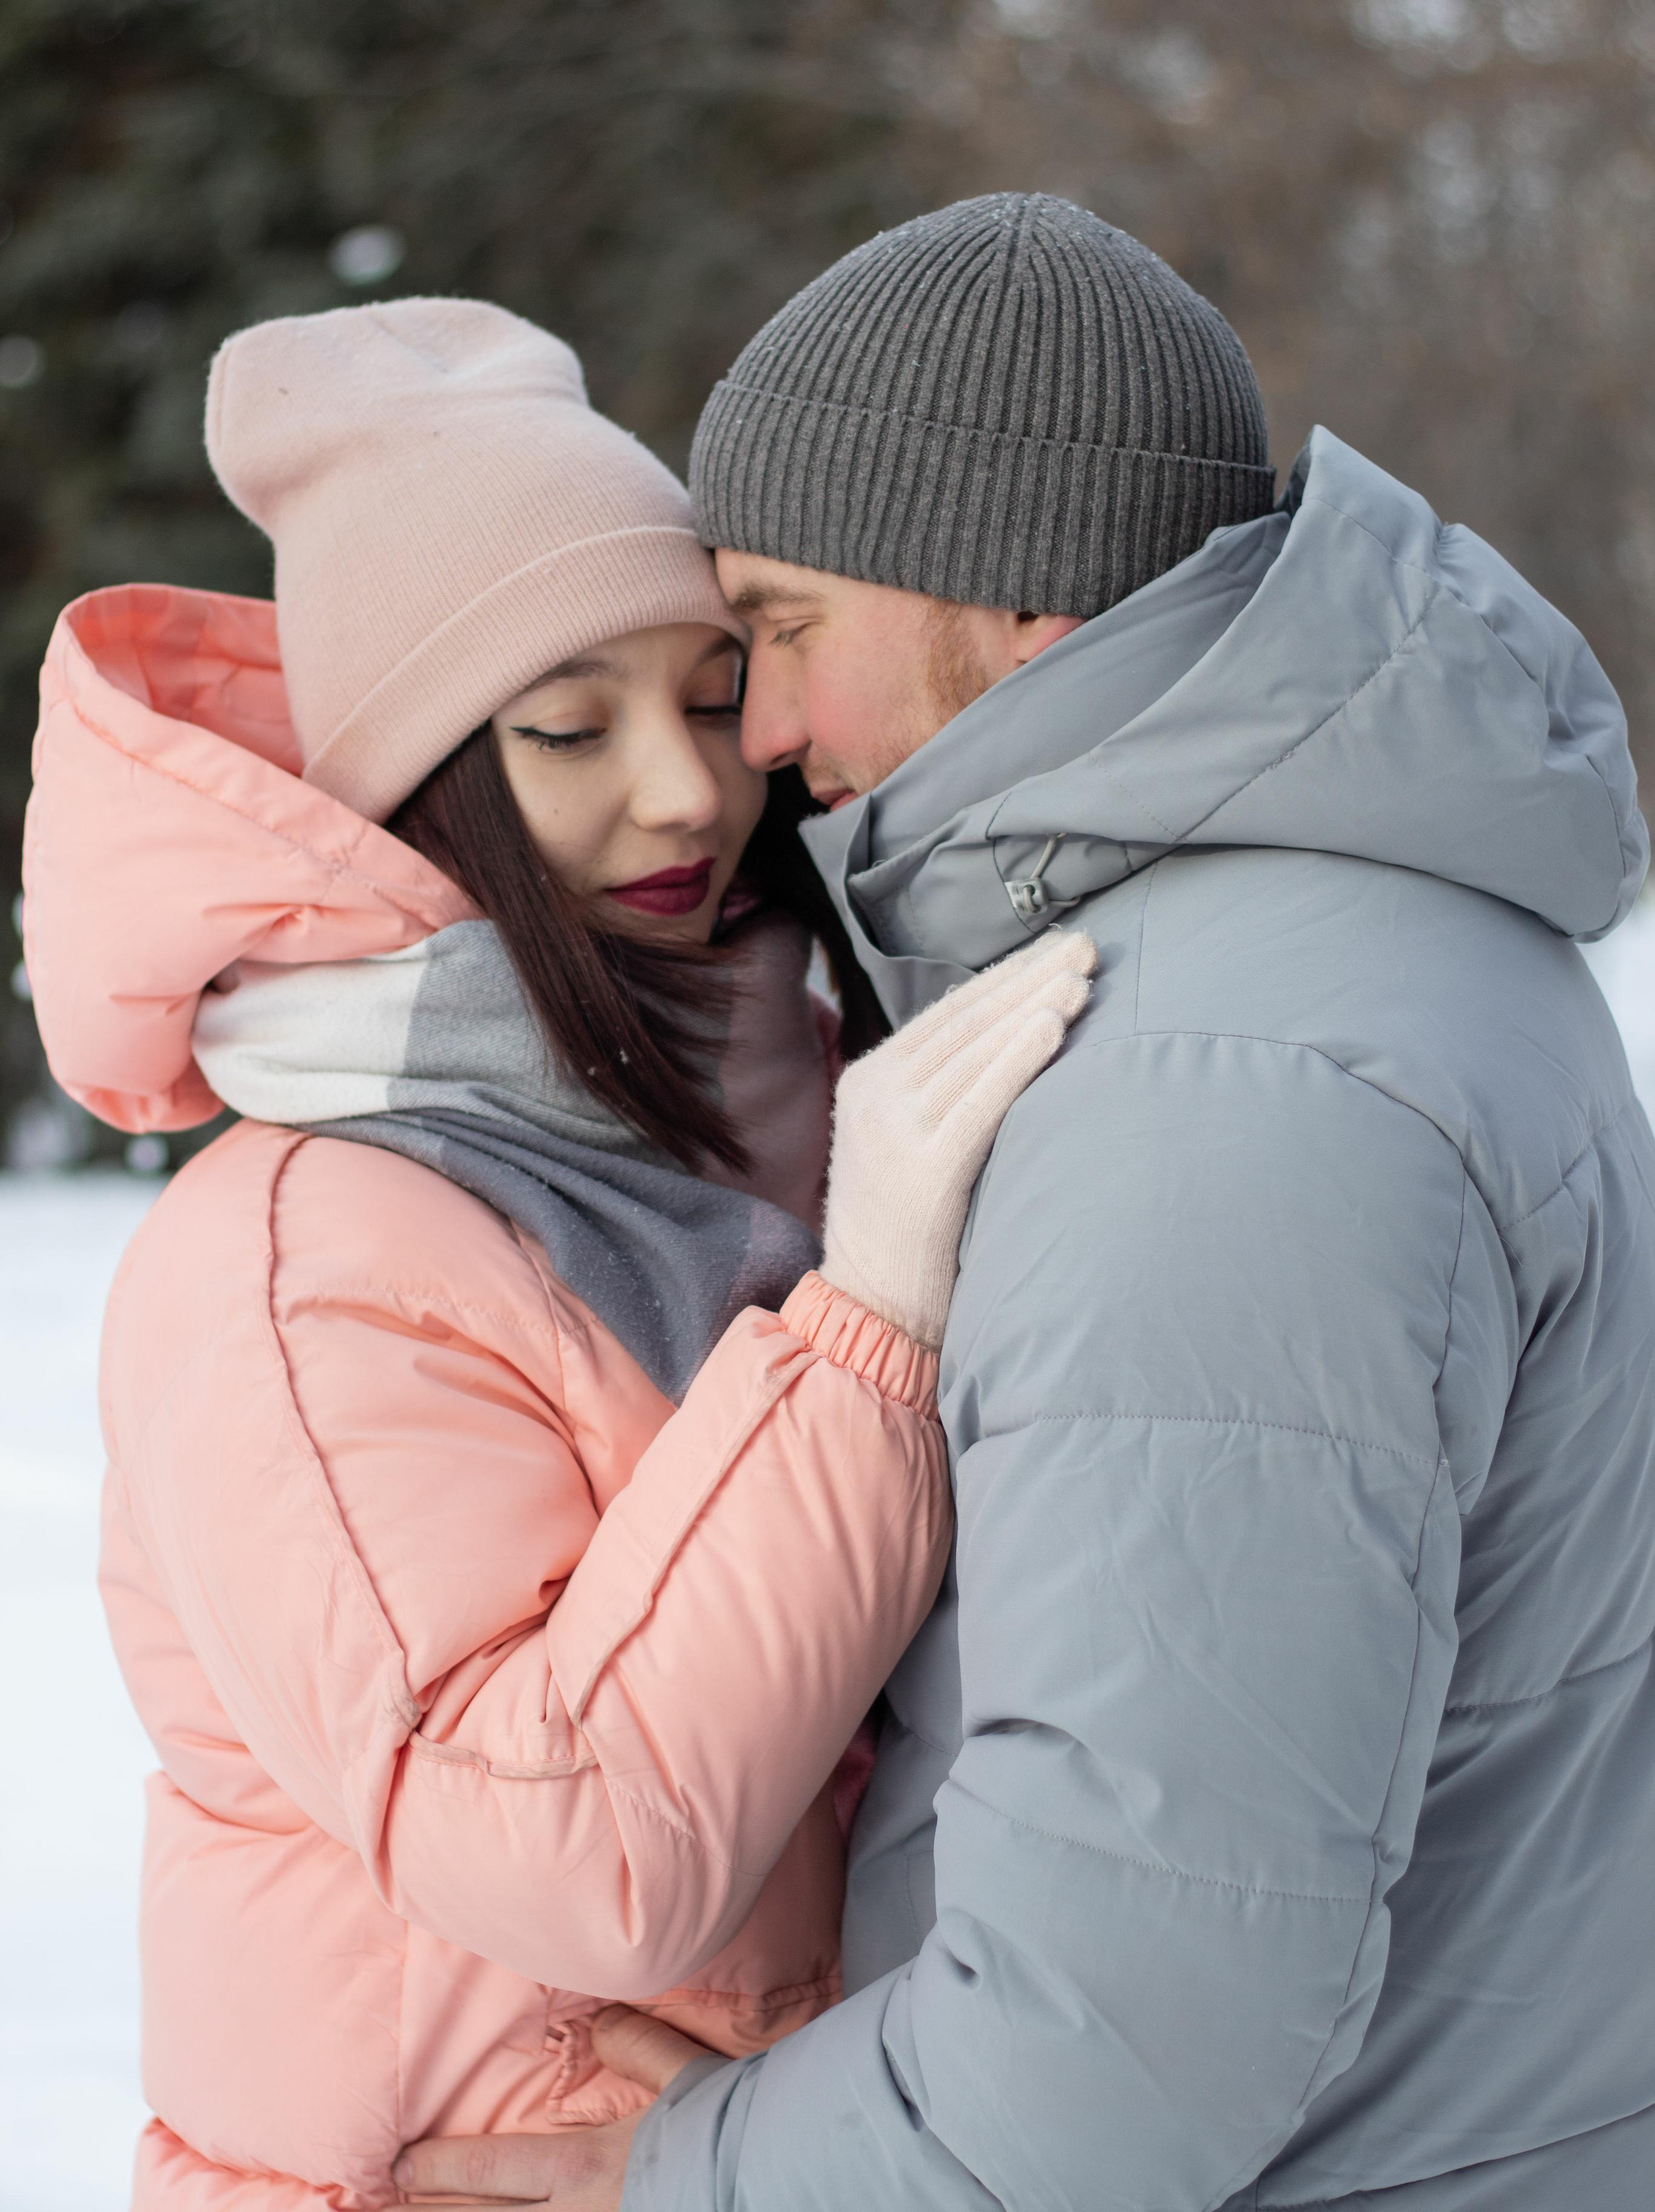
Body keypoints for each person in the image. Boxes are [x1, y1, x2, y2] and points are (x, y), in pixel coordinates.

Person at [402, 195, 1655, 2212]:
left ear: (1012, 599)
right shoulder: (1351, 939)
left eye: (786, 626)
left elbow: (1131, 2033)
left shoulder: (1222, 1090)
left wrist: (695, 2180)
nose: (763, 738)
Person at [19, 295, 1094, 2211]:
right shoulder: (298, 1264)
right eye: (571, 729)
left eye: (713, 695)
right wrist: (868, 1317)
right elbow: (569, 1845)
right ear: (417, 780)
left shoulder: (784, 1086)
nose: (685, 790)